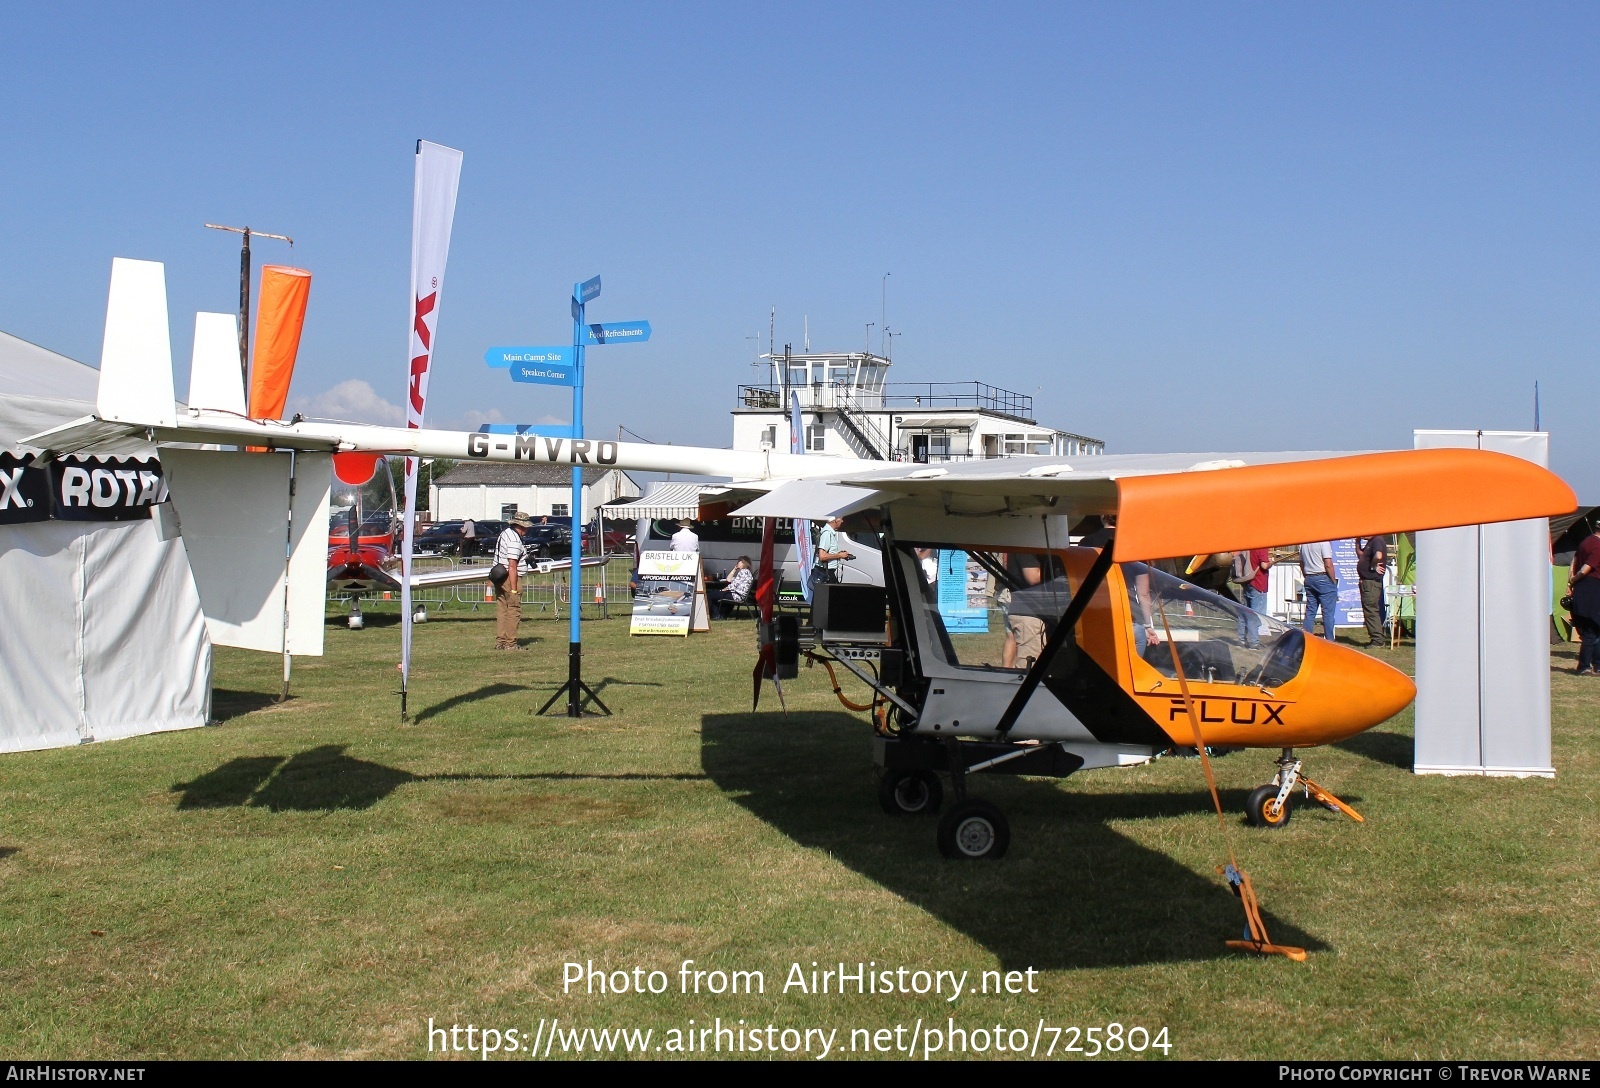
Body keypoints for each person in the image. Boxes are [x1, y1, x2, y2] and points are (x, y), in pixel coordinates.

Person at [493, 512, 531, 650]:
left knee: (502, 609)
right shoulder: (515, 540)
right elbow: (512, 566)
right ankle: (510, 643)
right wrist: (514, 589)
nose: (527, 529)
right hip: (510, 577)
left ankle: (501, 642)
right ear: (521, 526)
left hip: (499, 576)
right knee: (513, 609)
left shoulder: (505, 533)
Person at [1567, 525, 1600, 675]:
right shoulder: (1597, 545)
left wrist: (1571, 581)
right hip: (1592, 589)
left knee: (1593, 630)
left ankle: (1596, 665)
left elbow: (1574, 560)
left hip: (1584, 590)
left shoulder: (1586, 541)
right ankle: (1585, 666)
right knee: (1591, 631)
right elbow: (1586, 568)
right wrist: (1574, 579)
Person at [1299, 540, 1339, 642]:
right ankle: (1330, 640)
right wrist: (1333, 581)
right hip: (1322, 576)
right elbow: (1328, 564)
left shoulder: (1303, 544)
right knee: (1328, 613)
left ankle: (1306, 638)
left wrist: (1306, 576)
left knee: (1310, 611)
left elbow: (1301, 563)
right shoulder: (1323, 543)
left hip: (1309, 577)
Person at [1233, 547, 1273, 648]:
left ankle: (1242, 639)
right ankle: (1254, 642)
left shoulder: (1248, 545)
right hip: (1259, 583)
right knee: (1256, 615)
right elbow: (1264, 565)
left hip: (1247, 581)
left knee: (1245, 612)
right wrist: (1271, 562)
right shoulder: (1262, 547)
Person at [1357, 535, 1388, 646]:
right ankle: (1376, 638)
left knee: (1371, 610)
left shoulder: (1377, 539)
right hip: (1367, 582)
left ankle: (1377, 640)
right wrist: (1357, 541)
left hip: (1371, 582)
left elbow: (1378, 555)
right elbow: (1361, 555)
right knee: (1369, 609)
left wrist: (1373, 565)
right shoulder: (1371, 542)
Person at [812, 517, 853, 590]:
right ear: (835, 521)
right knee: (825, 598)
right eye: (841, 519)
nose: (842, 521)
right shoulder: (827, 533)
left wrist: (840, 554)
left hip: (827, 572)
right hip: (825, 573)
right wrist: (839, 555)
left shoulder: (830, 533)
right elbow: (822, 556)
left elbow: (827, 552)